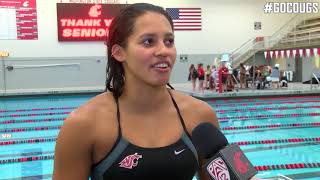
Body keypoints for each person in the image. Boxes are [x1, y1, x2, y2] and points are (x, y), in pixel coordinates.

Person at [53, 3, 219, 180]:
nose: (164, 50)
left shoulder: (201, 115)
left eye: (169, 41)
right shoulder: (83, 125)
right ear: (119, 52)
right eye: (148, 41)